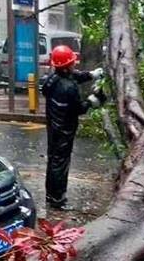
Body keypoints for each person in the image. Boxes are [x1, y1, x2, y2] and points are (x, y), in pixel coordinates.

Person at [42, 44, 105, 209]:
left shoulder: (52, 79)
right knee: (60, 164)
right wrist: (92, 102)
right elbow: (78, 109)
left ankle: (50, 195)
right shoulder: (69, 88)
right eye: (72, 63)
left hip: (53, 127)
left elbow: (73, 76)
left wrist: (91, 75)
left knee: (53, 161)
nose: (74, 64)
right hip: (64, 130)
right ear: (66, 67)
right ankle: (58, 199)